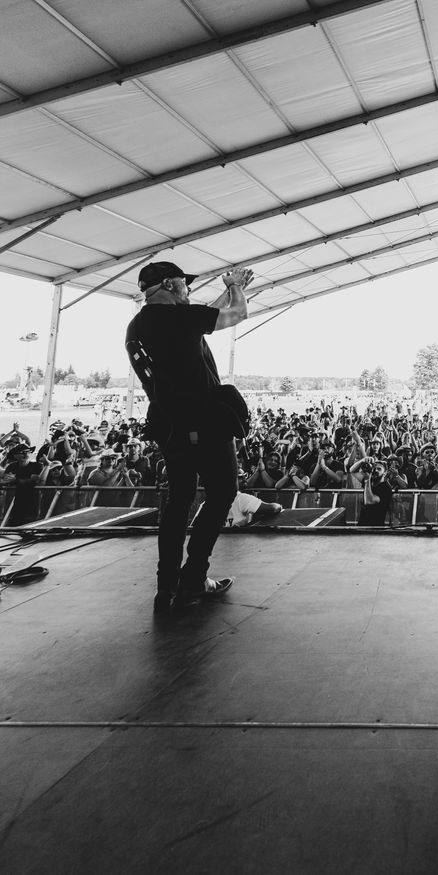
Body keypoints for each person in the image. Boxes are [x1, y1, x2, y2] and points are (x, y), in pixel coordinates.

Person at [125, 260, 253, 613]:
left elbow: (200, 316)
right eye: (185, 284)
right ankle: (194, 576)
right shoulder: (178, 319)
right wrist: (236, 287)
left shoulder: (139, 324)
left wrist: (227, 291)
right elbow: (237, 314)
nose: (189, 289)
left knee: (179, 500)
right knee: (223, 492)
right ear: (170, 284)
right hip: (203, 420)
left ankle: (165, 586)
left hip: (168, 424)